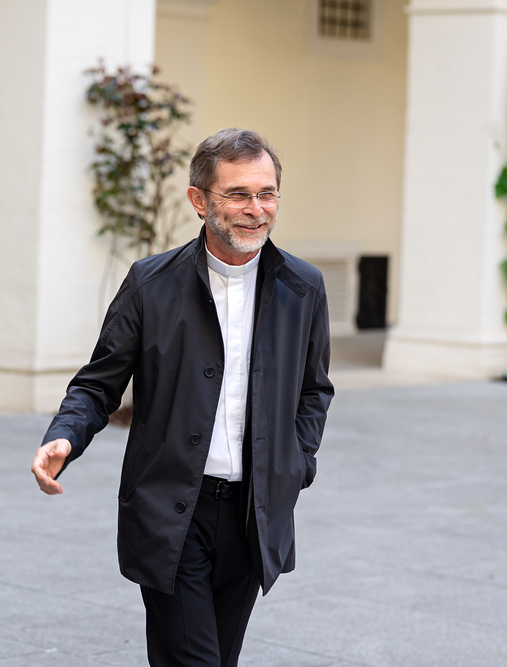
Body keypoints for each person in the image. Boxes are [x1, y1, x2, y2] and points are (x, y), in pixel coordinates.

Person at [31, 128, 334, 667]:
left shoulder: (303, 287)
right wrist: (64, 436)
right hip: (172, 510)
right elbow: (98, 383)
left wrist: (296, 462)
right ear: (199, 199)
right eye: (238, 194)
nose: (256, 209)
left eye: (267, 193)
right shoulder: (151, 283)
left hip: (255, 514)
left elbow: (314, 389)